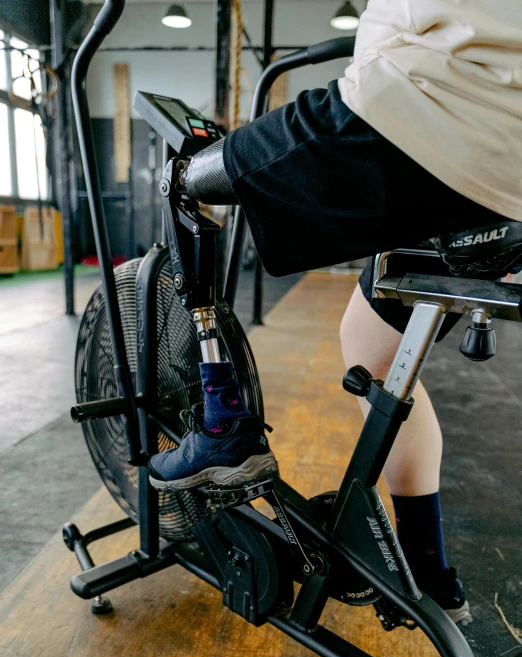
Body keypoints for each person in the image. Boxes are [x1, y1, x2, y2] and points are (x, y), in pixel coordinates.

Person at [149, 0, 522, 625]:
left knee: (185, 180)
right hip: (505, 163)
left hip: (425, 113)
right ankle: (428, 575)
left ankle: (221, 422)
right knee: (374, 348)